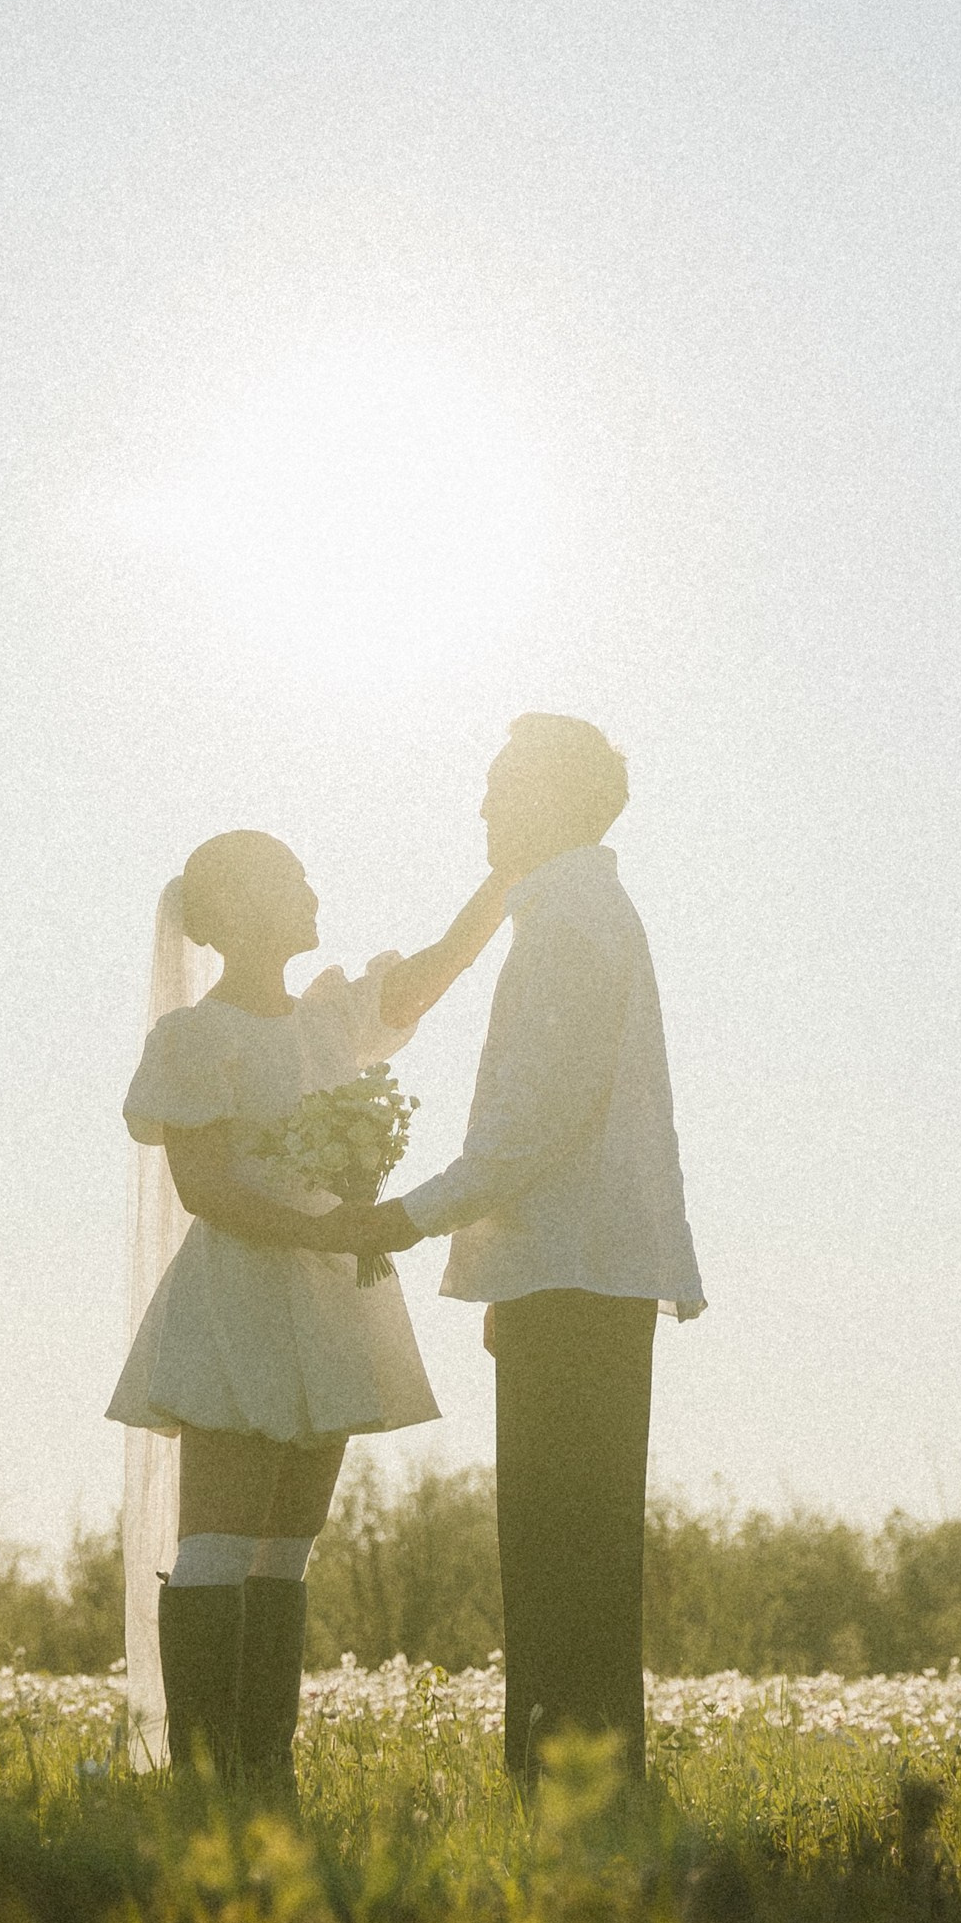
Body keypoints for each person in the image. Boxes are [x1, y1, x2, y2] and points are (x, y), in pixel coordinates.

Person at [331, 716, 703, 1789]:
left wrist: (407, 1215)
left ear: (554, 795)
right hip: (567, 1269)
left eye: (499, 786)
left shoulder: (573, 917)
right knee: (567, 1543)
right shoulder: (571, 911)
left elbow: (537, 1118)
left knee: (562, 1552)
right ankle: (582, 1787)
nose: (482, 806)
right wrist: (508, 1265)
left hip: (578, 1275)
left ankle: (569, 1791)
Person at [108, 828, 509, 1789]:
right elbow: (201, 1188)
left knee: (287, 1545)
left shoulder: (327, 1021)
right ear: (235, 910)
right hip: (240, 1298)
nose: (310, 889)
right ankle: (204, 1783)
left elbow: (431, 974)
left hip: (329, 1301)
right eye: (287, 880)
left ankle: (264, 1773)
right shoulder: (195, 1038)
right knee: (216, 1538)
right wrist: (330, 1233)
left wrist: (506, 874)